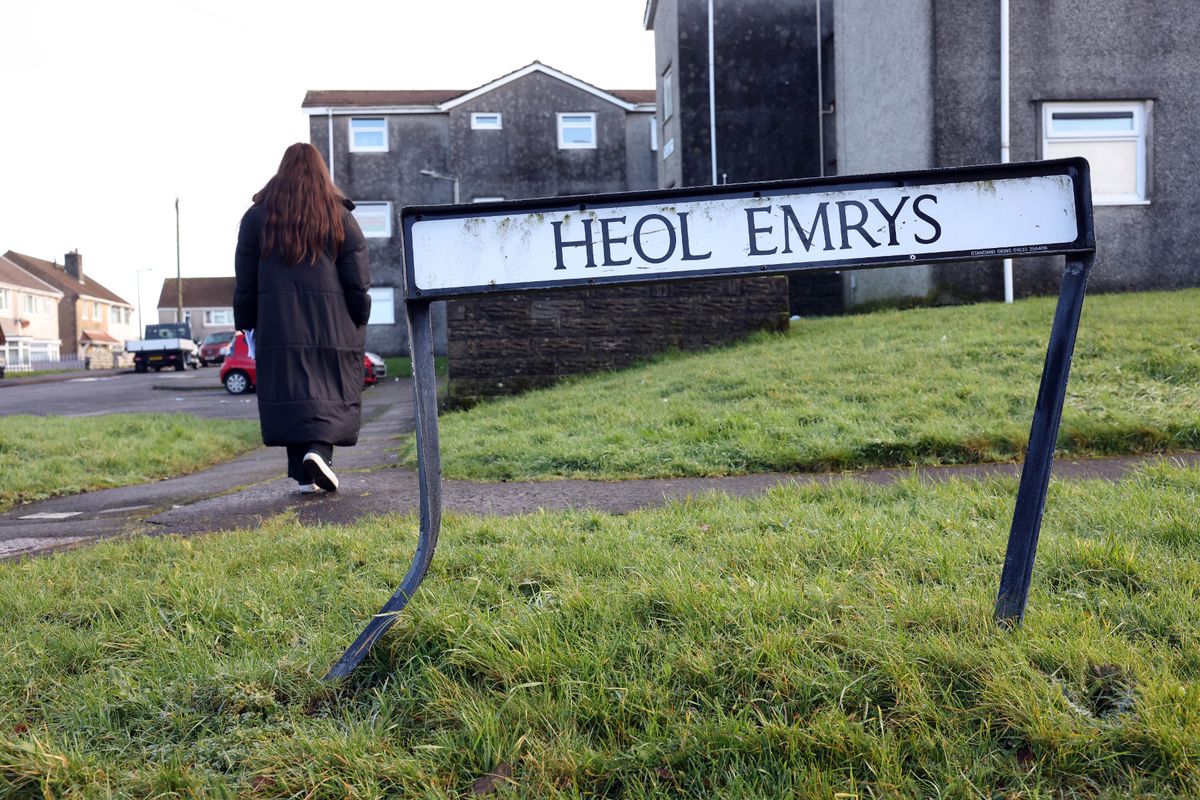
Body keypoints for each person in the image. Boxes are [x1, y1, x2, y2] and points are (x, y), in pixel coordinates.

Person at [233, 142, 371, 493]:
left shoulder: (256, 218)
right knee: (329, 386)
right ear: (321, 172)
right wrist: (359, 314)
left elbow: (245, 280)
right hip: (332, 321)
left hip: (278, 323)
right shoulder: (338, 215)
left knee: (291, 388)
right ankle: (318, 452)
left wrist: (246, 322)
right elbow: (356, 275)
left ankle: (303, 472)